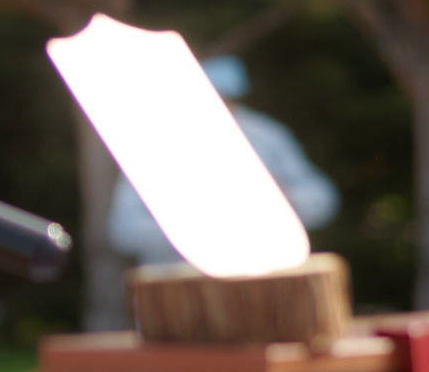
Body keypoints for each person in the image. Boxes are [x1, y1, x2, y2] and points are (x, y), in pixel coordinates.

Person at [107, 55, 340, 265]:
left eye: (225, 98)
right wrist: (199, 228)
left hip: (260, 279)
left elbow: (322, 201)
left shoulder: (267, 136)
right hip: (178, 284)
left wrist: (283, 197)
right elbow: (123, 231)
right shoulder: (154, 144)